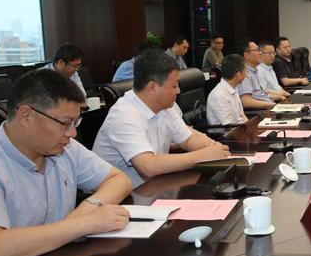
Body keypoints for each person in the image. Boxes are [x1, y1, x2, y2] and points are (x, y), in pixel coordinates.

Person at [0, 70, 132, 256]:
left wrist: (86, 210)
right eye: (65, 123)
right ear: (26, 116)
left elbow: (119, 179)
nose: (72, 133)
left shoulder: (64, 148)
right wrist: (83, 224)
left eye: (75, 123)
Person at [93, 49, 230, 187]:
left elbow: (188, 139)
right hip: (125, 196)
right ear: (152, 87)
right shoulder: (124, 115)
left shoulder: (165, 106)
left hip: (155, 186)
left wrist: (216, 148)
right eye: (175, 85)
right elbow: (148, 166)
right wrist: (202, 156)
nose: (178, 90)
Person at [207, 54, 248, 126]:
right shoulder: (219, 95)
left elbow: (242, 115)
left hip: (239, 128)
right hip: (226, 132)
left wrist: (250, 127)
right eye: (245, 71)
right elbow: (228, 126)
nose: (247, 74)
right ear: (238, 74)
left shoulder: (234, 88)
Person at [237, 39, 277, 109]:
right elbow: (246, 102)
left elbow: (259, 95)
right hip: (261, 111)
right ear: (247, 55)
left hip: (268, 107)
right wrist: (274, 105)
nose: (260, 53)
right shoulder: (244, 73)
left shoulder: (254, 71)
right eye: (257, 50)